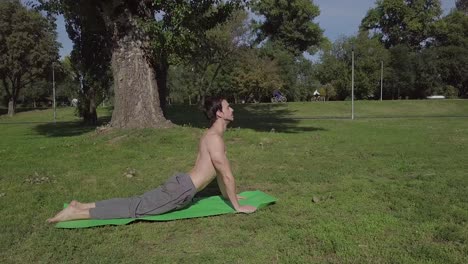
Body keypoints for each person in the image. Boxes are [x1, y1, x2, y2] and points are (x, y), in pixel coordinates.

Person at [47, 97, 257, 223]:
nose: (232, 109)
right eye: (228, 107)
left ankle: (82, 205)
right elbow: (227, 176)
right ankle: (75, 213)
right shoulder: (215, 140)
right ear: (220, 113)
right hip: (181, 190)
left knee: (135, 201)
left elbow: (221, 175)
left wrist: (231, 198)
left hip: (180, 183)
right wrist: (238, 207)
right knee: (135, 209)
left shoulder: (212, 135)